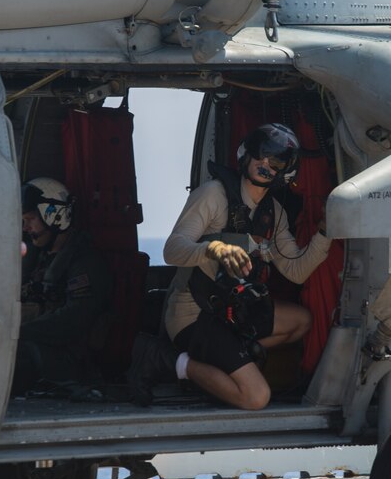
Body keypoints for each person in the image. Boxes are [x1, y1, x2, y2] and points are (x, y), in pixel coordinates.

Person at [133, 123, 331, 410]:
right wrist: (213, 249)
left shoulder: (273, 213)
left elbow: (296, 270)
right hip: (194, 313)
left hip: (233, 315)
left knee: (301, 321)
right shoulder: (213, 195)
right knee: (256, 397)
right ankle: (168, 360)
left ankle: (233, 358)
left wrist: (325, 233)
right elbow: (172, 249)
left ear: (284, 172)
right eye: (260, 154)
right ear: (246, 155)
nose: (264, 163)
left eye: (275, 160)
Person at [12, 177, 111, 397]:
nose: (26, 228)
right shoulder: (40, 258)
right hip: (45, 350)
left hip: (71, 361)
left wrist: (15, 332)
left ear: (54, 216)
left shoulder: (85, 263)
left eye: (30, 219)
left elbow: (73, 321)